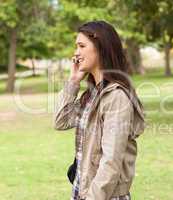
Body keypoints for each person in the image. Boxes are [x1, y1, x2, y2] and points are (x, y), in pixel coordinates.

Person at [54, 21, 145, 200]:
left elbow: (111, 162)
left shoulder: (116, 97)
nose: (76, 52)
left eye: (81, 46)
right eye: (76, 46)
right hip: (82, 190)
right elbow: (61, 121)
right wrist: (73, 81)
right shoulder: (91, 95)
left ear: (101, 48)